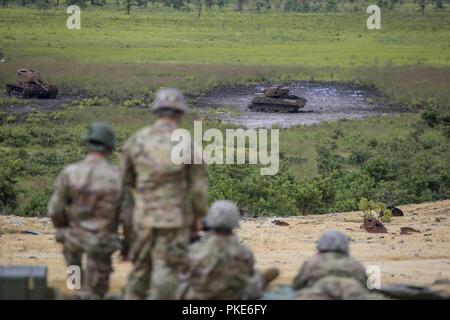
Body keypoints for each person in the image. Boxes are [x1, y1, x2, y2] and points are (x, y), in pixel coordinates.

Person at [121, 88, 208, 300]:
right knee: (168, 271)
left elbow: (125, 180)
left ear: (156, 112)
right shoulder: (187, 144)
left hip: (142, 217)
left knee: (140, 269)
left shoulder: (137, 140)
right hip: (174, 219)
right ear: (180, 113)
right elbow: (198, 187)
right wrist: (199, 216)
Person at [47, 122, 122, 299]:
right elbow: (128, 215)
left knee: (76, 283)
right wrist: (128, 244)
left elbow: (54, 209)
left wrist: (63, 229)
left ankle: (77, 290)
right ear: (110, 148)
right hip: (103, 241)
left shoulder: (70, 173)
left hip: (74, 240)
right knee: (97, 291)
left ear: (87, 145)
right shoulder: (117, 177)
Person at [178, 200, 279, 300]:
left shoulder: (196, 249)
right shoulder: (244, 252)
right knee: (253, 280)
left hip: (201, 296)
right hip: (235, 296)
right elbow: (248, 271)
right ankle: (261, 279)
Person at [292, 230, 383, 300]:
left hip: (320, 291)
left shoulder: (312, 262)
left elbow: (297, 285)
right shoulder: (354, 263)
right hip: (354, 292)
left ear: (320, 247)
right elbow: (366, 285)